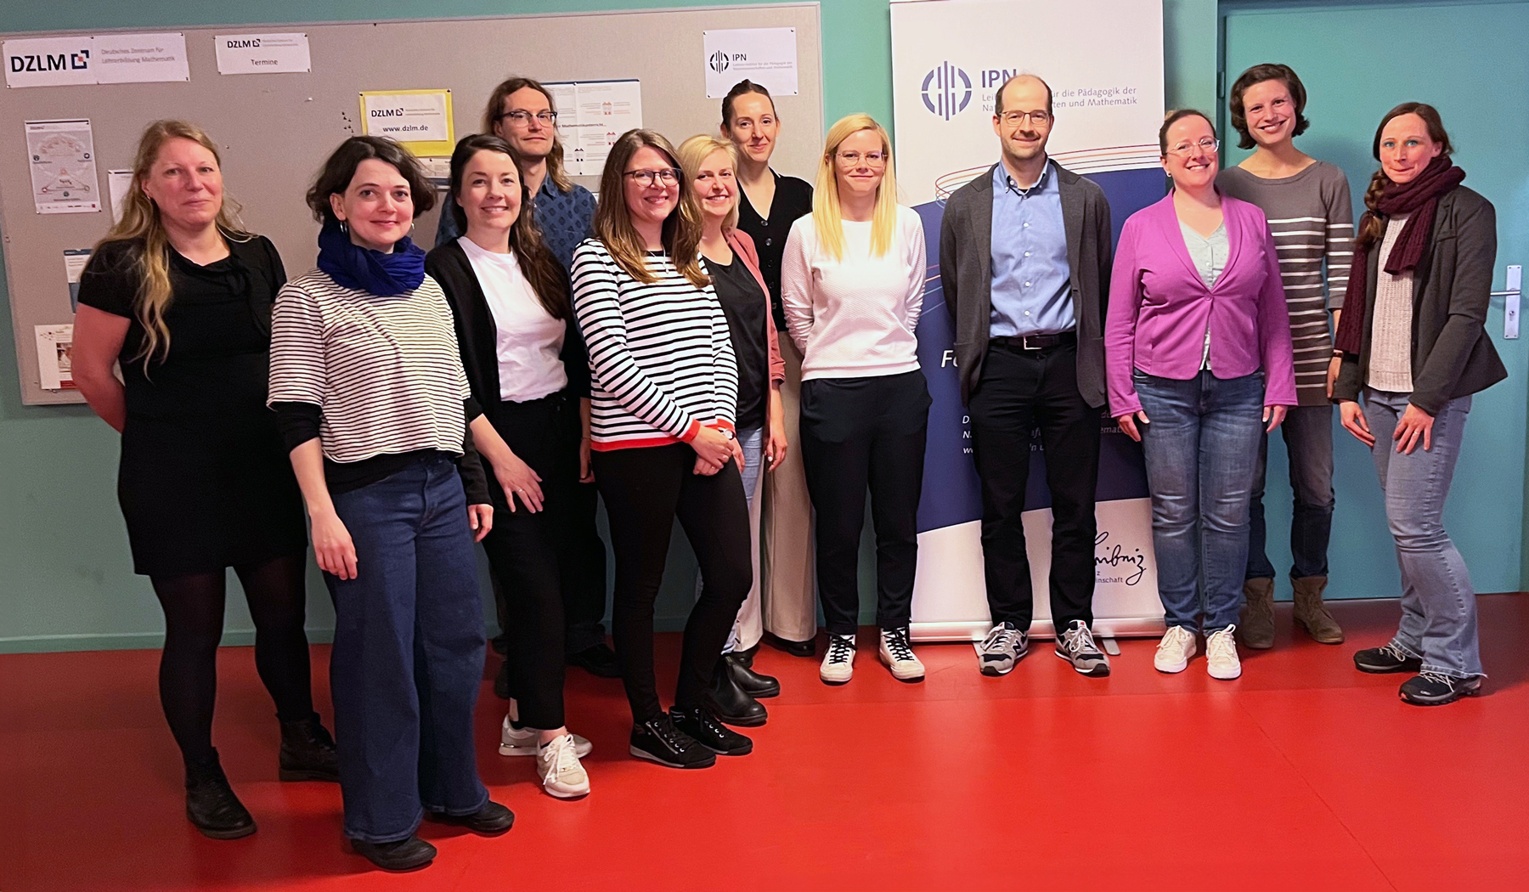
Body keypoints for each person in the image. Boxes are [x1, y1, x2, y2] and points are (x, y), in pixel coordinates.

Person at [71, 119, 338, 841]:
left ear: (222, 178)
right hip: (172, 479)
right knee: (195, 631)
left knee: (281, 614)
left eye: (204, 170)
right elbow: (91, 375)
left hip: (261, 467)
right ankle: (202, 770)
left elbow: (284, 356)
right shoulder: (121, 263)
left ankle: (302, 737)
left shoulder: (257, 254)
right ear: (147, 187)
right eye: (175, 173)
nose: (194, 184)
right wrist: (158, 438)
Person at [268, 135, 513, 871]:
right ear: (338, 204)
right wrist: (321, 514)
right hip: (364, 498)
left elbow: (454, 393)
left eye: (400, 193)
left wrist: (471, 484)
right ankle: (378, 820)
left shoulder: (428, 287)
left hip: (440, 488)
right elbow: (294, 413)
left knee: (456, 647)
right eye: (369, 192)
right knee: (380, 661)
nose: (387, 205)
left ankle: (452, 789)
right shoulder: (305, 297)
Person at [571, 129, 754, 768]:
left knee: (733, 573)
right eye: (643, 174)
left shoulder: (687, 257)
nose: (660, 185)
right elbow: (612, 363)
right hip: (639, 449)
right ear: (619, 185)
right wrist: (689, 430)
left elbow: (720, 349)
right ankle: (647, 722)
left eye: (667, 174)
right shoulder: (596, 258)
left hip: (706, 444)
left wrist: (721, 431)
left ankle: (693, 704)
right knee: (642, 588)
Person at [426, 134, 595, 799]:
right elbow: (450, 380)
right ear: (458, 194)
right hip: (498, 443)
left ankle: (524, 718)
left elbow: (570, 354)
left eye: (505, 180)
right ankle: (552, 741)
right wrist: (502, 461)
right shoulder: (442, 267)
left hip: (558, 433)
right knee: (533, 593)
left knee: (564, 581)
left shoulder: (538, 257)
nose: (495, 193)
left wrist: (581, 435)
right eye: (478, 181)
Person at [1104, 110, 1296, 681]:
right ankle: (1181, 624)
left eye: (1206, 142)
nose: (1196, 152)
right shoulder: (1141, 226)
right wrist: (1121, 394)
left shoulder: (1251, 219)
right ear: (1164, 161)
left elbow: (1274, 315)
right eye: (1182, 145)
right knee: (1173, 512)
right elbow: (1120, 321)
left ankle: (1221, 629)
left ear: (1218, 152)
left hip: (1240, 389)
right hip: (1161, 388)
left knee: (1230, 513)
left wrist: (1279, 382)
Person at [435, 76, 616, 682]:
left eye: (546, 114)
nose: (536, 124)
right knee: (524, 561)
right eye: (521, 115)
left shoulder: (573, 209)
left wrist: (589, 422)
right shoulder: (453, 259)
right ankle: (528, 660)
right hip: (496, 420)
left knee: (575, 536)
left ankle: (578, 638)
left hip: (567, 403)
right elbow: (454, 354)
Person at [939, 74, 1115, 679]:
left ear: (1050, 122)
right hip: (1000, 367)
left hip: (1070, 365)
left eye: (1036, 115)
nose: (1025, 126)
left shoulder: (1086, 198)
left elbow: (1102, 284)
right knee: (1001, 504)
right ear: (995, 122)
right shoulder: (963, 205)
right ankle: (1009, 623)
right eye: (1014, 115)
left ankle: (1074, 624)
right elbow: (958, 287)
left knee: (1075, 503)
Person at [1333, 103, 1504, 706]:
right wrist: (1348, 387)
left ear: (1437, 146)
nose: (1400, 153)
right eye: (1389, 144)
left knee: (1418, 528)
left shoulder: (1469, 211)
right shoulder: (1380, 213)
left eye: (1412, 142)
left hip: (1425, 396)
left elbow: (1465, 314)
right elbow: (1360, 308)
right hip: (1378, 391)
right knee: (1405, 527)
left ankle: (1455, 663)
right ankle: (1413, 635)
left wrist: (1427, 401)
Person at [781, 114, 931, 685]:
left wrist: (880, 353)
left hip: (899, 387)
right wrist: (833, 356)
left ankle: (896, 631)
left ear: (886, 164)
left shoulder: (909, 226)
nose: (864, 165)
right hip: (832, 390)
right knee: (839, 526)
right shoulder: (807, 230)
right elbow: (797, 315)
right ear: (831, 162)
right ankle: (841, 634)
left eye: (874, 156)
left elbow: (911, 307)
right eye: (851, 156)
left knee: (897, 523)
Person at [1219, 63, 1353, 649]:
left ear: (1296, 105)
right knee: (1245, 488)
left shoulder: (1330, 180)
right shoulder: (1226, 183)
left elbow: (1344, 277)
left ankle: (1309, 596)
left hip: (1312, 356)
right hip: (1245, 362)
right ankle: (1255, 599)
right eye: (1255, 108)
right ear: (1242, 120)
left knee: (1316, 487)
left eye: (1278, 102)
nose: (1269, 114)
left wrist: (1341, 354)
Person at [677, 134, 789, 724]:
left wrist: (773, 411)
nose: (719, 185)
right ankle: (710, 674)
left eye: (726, 175)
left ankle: (723, 654)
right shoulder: (672, 255)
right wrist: (703, 428)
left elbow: (765, 333)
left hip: (749, 418)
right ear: (683, 185)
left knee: (732, 552)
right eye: (705, 176)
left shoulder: (742, 244)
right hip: (703, 430)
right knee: (719, 558)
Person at [720, 79, 819, 658]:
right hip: (725, 350)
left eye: (766, 120)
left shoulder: (803, 194)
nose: (757, 133)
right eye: (743, 122)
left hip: (797, 346)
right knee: (740, 495)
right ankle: (741, 628)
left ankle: (792, 620)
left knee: (793, 486)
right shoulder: (709, 191)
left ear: (778, 126)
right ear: (727, 130)